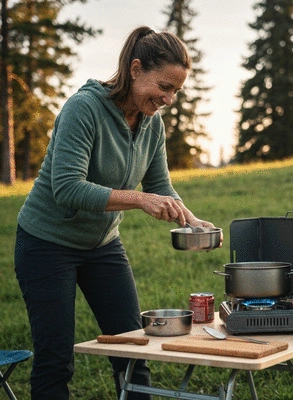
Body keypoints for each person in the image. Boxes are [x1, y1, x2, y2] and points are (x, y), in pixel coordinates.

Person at [14, 25, 219, 400]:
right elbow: (67, 188)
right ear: (136, 69)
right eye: (164, 87)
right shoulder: (84, 109)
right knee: (56, 358)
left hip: (103, 245)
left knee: (132, 351)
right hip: (46, 244)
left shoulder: (151, 124)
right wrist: (139, 200)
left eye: (176, 91)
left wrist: (191, 219)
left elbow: (159, 185)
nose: (169, 99)